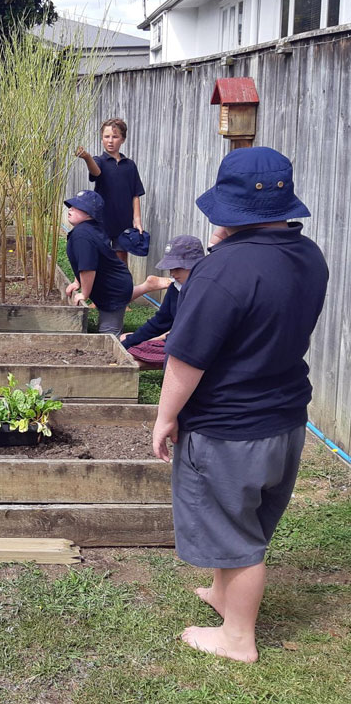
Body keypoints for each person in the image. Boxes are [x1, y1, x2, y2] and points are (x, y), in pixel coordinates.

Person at [152, 147, 328, 663]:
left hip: (229, 428)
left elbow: (186, 359)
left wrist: (165, 417)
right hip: (285, 418)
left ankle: (237, 638)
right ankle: (223, 594)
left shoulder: (221, 270)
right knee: (243, 517)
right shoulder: (308, 255)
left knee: (235, 531)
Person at [121, 235, 206, 369]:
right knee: (126, 340)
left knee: (135, 357)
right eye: (170, 268)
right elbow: (160, 321)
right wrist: (128, 343)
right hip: (176, 341)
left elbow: (195, 331)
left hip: (196, 348)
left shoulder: (207, 291)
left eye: (178, 268)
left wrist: (163, 340)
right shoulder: (175, 287)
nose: (172, 273)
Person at [62, 190, 133, 335]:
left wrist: (84, 294)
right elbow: (83, 261)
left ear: (90, 214)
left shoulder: (82, 236)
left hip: (113, 293)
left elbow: (88, 268)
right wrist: (77, 282)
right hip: (114, 284)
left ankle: (133, 341)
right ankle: (148, 285)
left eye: (77, 207)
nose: (71, 209)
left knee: (108, 336)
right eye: (71, 206)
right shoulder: (89, 229)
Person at [75, 117, 145, 264]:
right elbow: (96, 172)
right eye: (106, 137)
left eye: (115, 137)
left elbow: (135, 194)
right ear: (101, 140)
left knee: (121, 261)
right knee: (102, 258)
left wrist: (137, 220)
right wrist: (87, 158)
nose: (110, 141)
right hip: (103, 222)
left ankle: (121, 287)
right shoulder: (98, 161)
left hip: (124, 223)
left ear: (123, 139)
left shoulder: (130, 165)